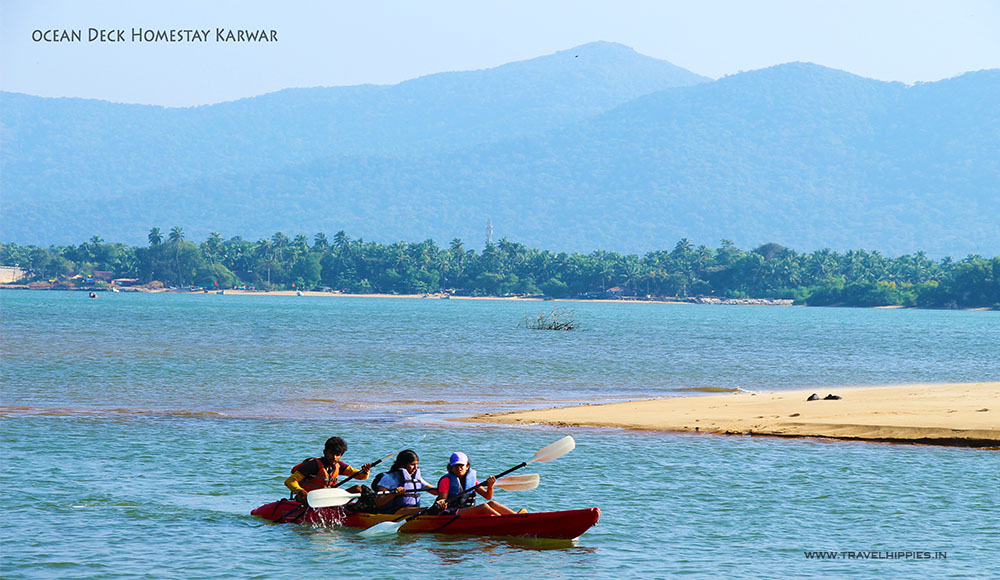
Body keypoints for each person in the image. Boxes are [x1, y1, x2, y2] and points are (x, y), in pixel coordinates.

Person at [284, 436, 372, 504]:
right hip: (309, 499)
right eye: (331, 453)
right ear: (324, 452)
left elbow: (360, 476)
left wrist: (365, 471)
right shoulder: (313, 465)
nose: (334, 457)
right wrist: (301, 492)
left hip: (327, 498)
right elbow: (289, 481)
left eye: (337, 455)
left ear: (341, 455)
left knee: (358, 488)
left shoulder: (339, 465)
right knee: (305, 498)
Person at [433, 451, 518, 516]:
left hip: (467, 510)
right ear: (451, 467)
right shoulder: (446, 480)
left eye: (461, 465)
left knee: (492, 503)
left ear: (467, 466)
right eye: (455, 466)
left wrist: (490, 486)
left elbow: (488, 496)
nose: (459, 468)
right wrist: (442, 503)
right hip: (452, 511)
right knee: (483, 507)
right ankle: (504, 521)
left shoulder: (472, 480)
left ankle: (517, 517)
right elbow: (442, 499)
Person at [373, 449, 434, 515]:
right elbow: (379, 502)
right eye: (412, 464)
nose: (415, 468)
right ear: (403, 465)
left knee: (434, 509)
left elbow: (435, 491)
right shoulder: (388, 478)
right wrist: (394, 493)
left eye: (416, 464)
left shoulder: (416, 479)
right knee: (428, 510)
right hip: (394, 513)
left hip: (412, 511)